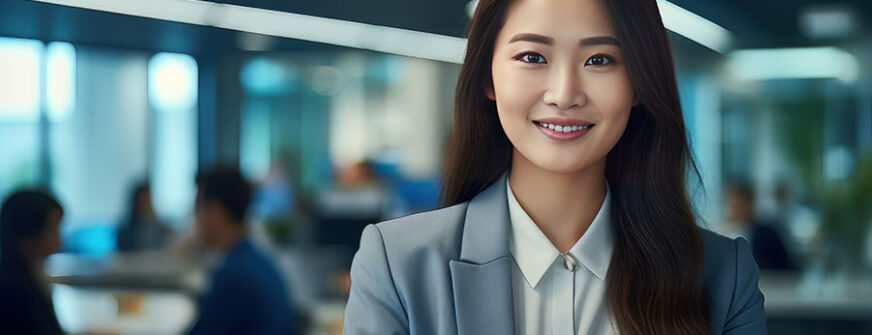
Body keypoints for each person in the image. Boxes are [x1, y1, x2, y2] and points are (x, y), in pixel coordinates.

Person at [342, 0, 767, 334]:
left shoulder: (722, 276)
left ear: (639, 83)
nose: (564, 94)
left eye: (600, 59)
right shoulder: (398, 266)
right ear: (488, 77)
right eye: (532, 57)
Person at [187, 167, 295, 335]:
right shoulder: (257, 263)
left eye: (197, 206)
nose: (194, 215)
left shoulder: (233, 277)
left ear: (216, 212)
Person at [0, 189, 65, 335]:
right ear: (28, 233)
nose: (59, 241)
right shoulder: (14, 291)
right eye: (54, 229)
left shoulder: (32, 275)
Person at [722, 180, 793, 270]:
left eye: (739, 204)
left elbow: (783, 267)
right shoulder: (721, 232)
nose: (734, 208)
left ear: (750, 203)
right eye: (731, 204)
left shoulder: (767, 235)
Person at [116, 182, 172, 252]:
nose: (146, 204)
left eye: (148, 200)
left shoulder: (162, 228)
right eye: (143, 200)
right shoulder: (125, 231)